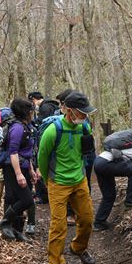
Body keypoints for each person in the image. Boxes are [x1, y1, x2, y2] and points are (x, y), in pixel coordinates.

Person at [38, 91, 97, 264]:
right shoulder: (52, 131)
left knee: (87, 219)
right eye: (81, 113)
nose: (85, 116)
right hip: (58, 183)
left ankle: (78, 248)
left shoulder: (84, 127)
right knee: (59, 224)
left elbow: (86, 153)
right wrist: (49, 181)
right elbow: (42, 158)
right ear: (69, 111)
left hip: (79, 180)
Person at [0, 98, 38, 242]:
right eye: (31, 110)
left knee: (18, 199)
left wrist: (31, 169)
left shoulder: (26, 126)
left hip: (25, 166)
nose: (33, 113)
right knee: (27, 200)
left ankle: (17, 231)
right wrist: (19, 174)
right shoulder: (17, 128)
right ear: (26, 112)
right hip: (14, 169)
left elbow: (27, 151)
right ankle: (5, 222)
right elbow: (13, 152)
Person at [54, 89, 96, 226]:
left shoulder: (83, 123)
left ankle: (81, 212)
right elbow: (43, 155)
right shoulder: (55, 127)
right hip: (60, 176)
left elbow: (88, 142)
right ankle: (69, 213)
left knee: (85, 187)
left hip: (82, 166)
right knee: (58, 224)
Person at [25, 92, 59, 234]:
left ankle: (43, 195)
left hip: (45, 142)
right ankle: (44, 195)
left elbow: (41, 126)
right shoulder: (51, 106)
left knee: (40, 165)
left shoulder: (45, 108)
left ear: (34, 99)